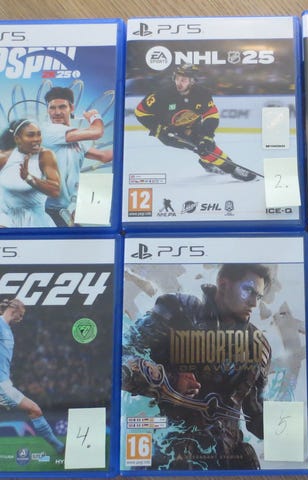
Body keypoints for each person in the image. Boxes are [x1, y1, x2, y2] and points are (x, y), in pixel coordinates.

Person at [122, 263, 272, 470]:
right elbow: (121, 357)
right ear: (223, 284)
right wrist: (169, 382)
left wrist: (292, 426)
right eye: (248, 290)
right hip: (169, 453)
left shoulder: (257, 344)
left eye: (259, 296)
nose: (254, 303)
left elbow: (256, 413)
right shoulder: (177, 312)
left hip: (227, 460)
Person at [134, 64, 256, 182]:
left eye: (183, 80)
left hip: (193, 125)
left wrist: (207, 136)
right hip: (170, 132)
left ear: (192, 81)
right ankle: (233, 169)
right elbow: (140, 112)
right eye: (177, 78)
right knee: (203, 148)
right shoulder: (161, 94)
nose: (179, 83)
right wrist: (158, 128)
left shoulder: (203, 94)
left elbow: (211, 115)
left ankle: (207, 162)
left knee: (206, 144)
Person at [0, 298, 64, 454]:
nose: (21, 319)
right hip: (2, 385)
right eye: (21, 315)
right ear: (13, 310)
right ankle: (60, 448)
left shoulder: (7, 328)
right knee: (35, 410)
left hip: (5, 382)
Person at [42, 86, 113, 226]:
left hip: (63, 210)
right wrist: (95, 117)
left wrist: (127, 146)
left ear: (71, 108)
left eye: (62, 107)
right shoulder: (49, 131)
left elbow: (104, 156)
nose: (57, 112)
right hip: (44, 211)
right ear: (48, 110)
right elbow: (97, 132)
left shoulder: (76, 139)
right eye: (52, 108)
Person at [0, 119, 60, 228]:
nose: (36, 139)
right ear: (17, 139)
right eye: (31, 135)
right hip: (6, 219)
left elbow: (55, 191)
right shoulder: (3, 158)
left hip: (36, 221)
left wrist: (28, 178)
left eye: (39, 134)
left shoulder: (45, 156)